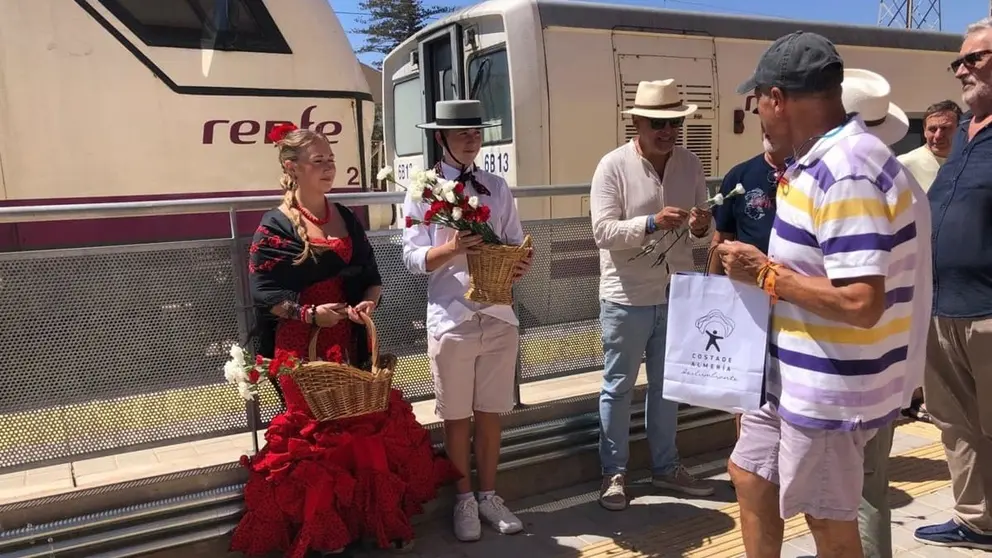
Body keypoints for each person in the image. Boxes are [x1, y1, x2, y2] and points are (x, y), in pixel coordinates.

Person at [719, 32, 920, 558]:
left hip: (827, 390)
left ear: (777, 99)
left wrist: (765, 274)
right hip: (792, 374)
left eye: (756, 101)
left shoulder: (846, 169)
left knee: (828, 521)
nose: (757, 114)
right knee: (748, 473)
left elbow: (860, 302)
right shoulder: (820, 162)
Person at [230, 124, 458, 558]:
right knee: (316, 437)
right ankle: (323, 534)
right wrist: (310, 313)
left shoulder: (346, 216)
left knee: (360, 428)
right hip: (301, 348)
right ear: (291, 168)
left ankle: (368, 524)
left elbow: (371, 278)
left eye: (331, 159)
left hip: (348, 341)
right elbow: (263, 293)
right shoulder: (275, 225)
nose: (329, 167)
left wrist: (367, 305)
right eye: (319, 161)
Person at [401, 100, 533, 542]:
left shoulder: (497, 186)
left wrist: (518, 263)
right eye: (462, 133)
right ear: (441, 138)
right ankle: (463, 500)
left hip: (498, 313)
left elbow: (516, 243)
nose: (471, 138)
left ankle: (489, 495)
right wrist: (453, 247)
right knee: (455, 415)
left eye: (476, 131)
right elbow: (413, 257)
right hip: (451, 317)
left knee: (491, 411)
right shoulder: (424, 192)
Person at [590, 78, 715, 512]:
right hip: (626, 295)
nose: (667, 131)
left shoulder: (690, 163)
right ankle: (614, 473)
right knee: (618, 387)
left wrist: (701, 226)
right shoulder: (612, 166)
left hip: (676, 291)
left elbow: (704, 229)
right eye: (658, 123)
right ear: (638, 123)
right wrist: (649, 223)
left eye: (673, 124)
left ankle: (666, 467)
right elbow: (602, 232)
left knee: (668, 386)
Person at [840, 68, 933, 558]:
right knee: (866, 488)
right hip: (891, 361)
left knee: (860, 494)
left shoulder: (863, 187)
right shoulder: (903, 182)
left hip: (863, 369)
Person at [914, 17, 992, 551]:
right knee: (957, 425)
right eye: (958, 61)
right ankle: (976, 521)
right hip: (941, 309)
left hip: (989, 311)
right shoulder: (963, 132)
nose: (962, 68)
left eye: (975, 58)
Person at [708, 122, 790, 454]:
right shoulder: (740, 176)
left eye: (777, 127)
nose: (769, 131)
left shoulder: (808, 177)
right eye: (765, 127)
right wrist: (712, 295)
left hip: (796, 300)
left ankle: (787, 457)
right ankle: (747, 459)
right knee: (746, 384)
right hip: (747, 301)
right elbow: (720, 240)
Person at [898, 100, 962, 192]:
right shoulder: (903, 165)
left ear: (960, 129)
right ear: (924, 131)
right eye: (932, 129)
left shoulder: (972, 162)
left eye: (945, 128)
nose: (938, 135)